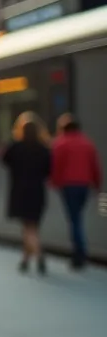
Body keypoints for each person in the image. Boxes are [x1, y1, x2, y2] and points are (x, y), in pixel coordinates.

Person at [1, 112, 52, 274]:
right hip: (37, 191)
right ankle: (25, 260)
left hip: (20, 191)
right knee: (33, 226)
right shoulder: (44, 149)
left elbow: (4, 160)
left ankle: (39, 255)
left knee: (28, 227)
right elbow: (48, 171)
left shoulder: (16, 147)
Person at [51, 113, 101, 270]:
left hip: (68, 186)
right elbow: (95, 166)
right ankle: (79, 252)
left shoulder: (60, 144)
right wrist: (97, 184)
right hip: (84, 185)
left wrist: (55, 182)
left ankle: (79, 254)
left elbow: (56, 166)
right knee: (77, 217)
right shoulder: (88, 143)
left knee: (74, 219)